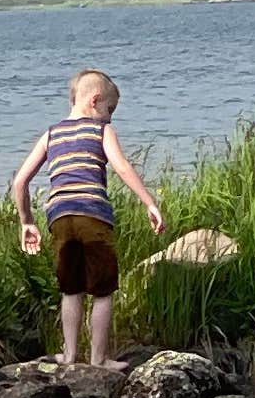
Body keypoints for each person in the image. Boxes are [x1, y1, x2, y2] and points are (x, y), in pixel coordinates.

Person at [10, 67, 164, 369]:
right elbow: (121, 166)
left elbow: (19, 182)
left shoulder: (51, 133)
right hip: (93, 214)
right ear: (95, 100)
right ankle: (98, 359)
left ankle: (68, 356)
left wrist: (26, 221)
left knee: (71, 288)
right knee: (103, 289)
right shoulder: (101, 130)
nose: (110, 117)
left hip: (59, 217)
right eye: (110, 109)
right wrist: (150, 202)